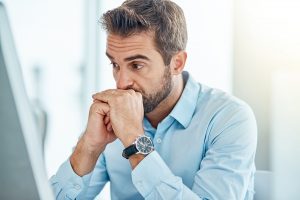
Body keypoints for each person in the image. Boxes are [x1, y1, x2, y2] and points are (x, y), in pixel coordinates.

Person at [50, 0, 257, 199]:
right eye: (115, 65)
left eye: (136, 65)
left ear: (177, 63)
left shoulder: (229, 118)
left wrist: (134, 141)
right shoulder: (111, 118)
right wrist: (89, 146)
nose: (121, 83)